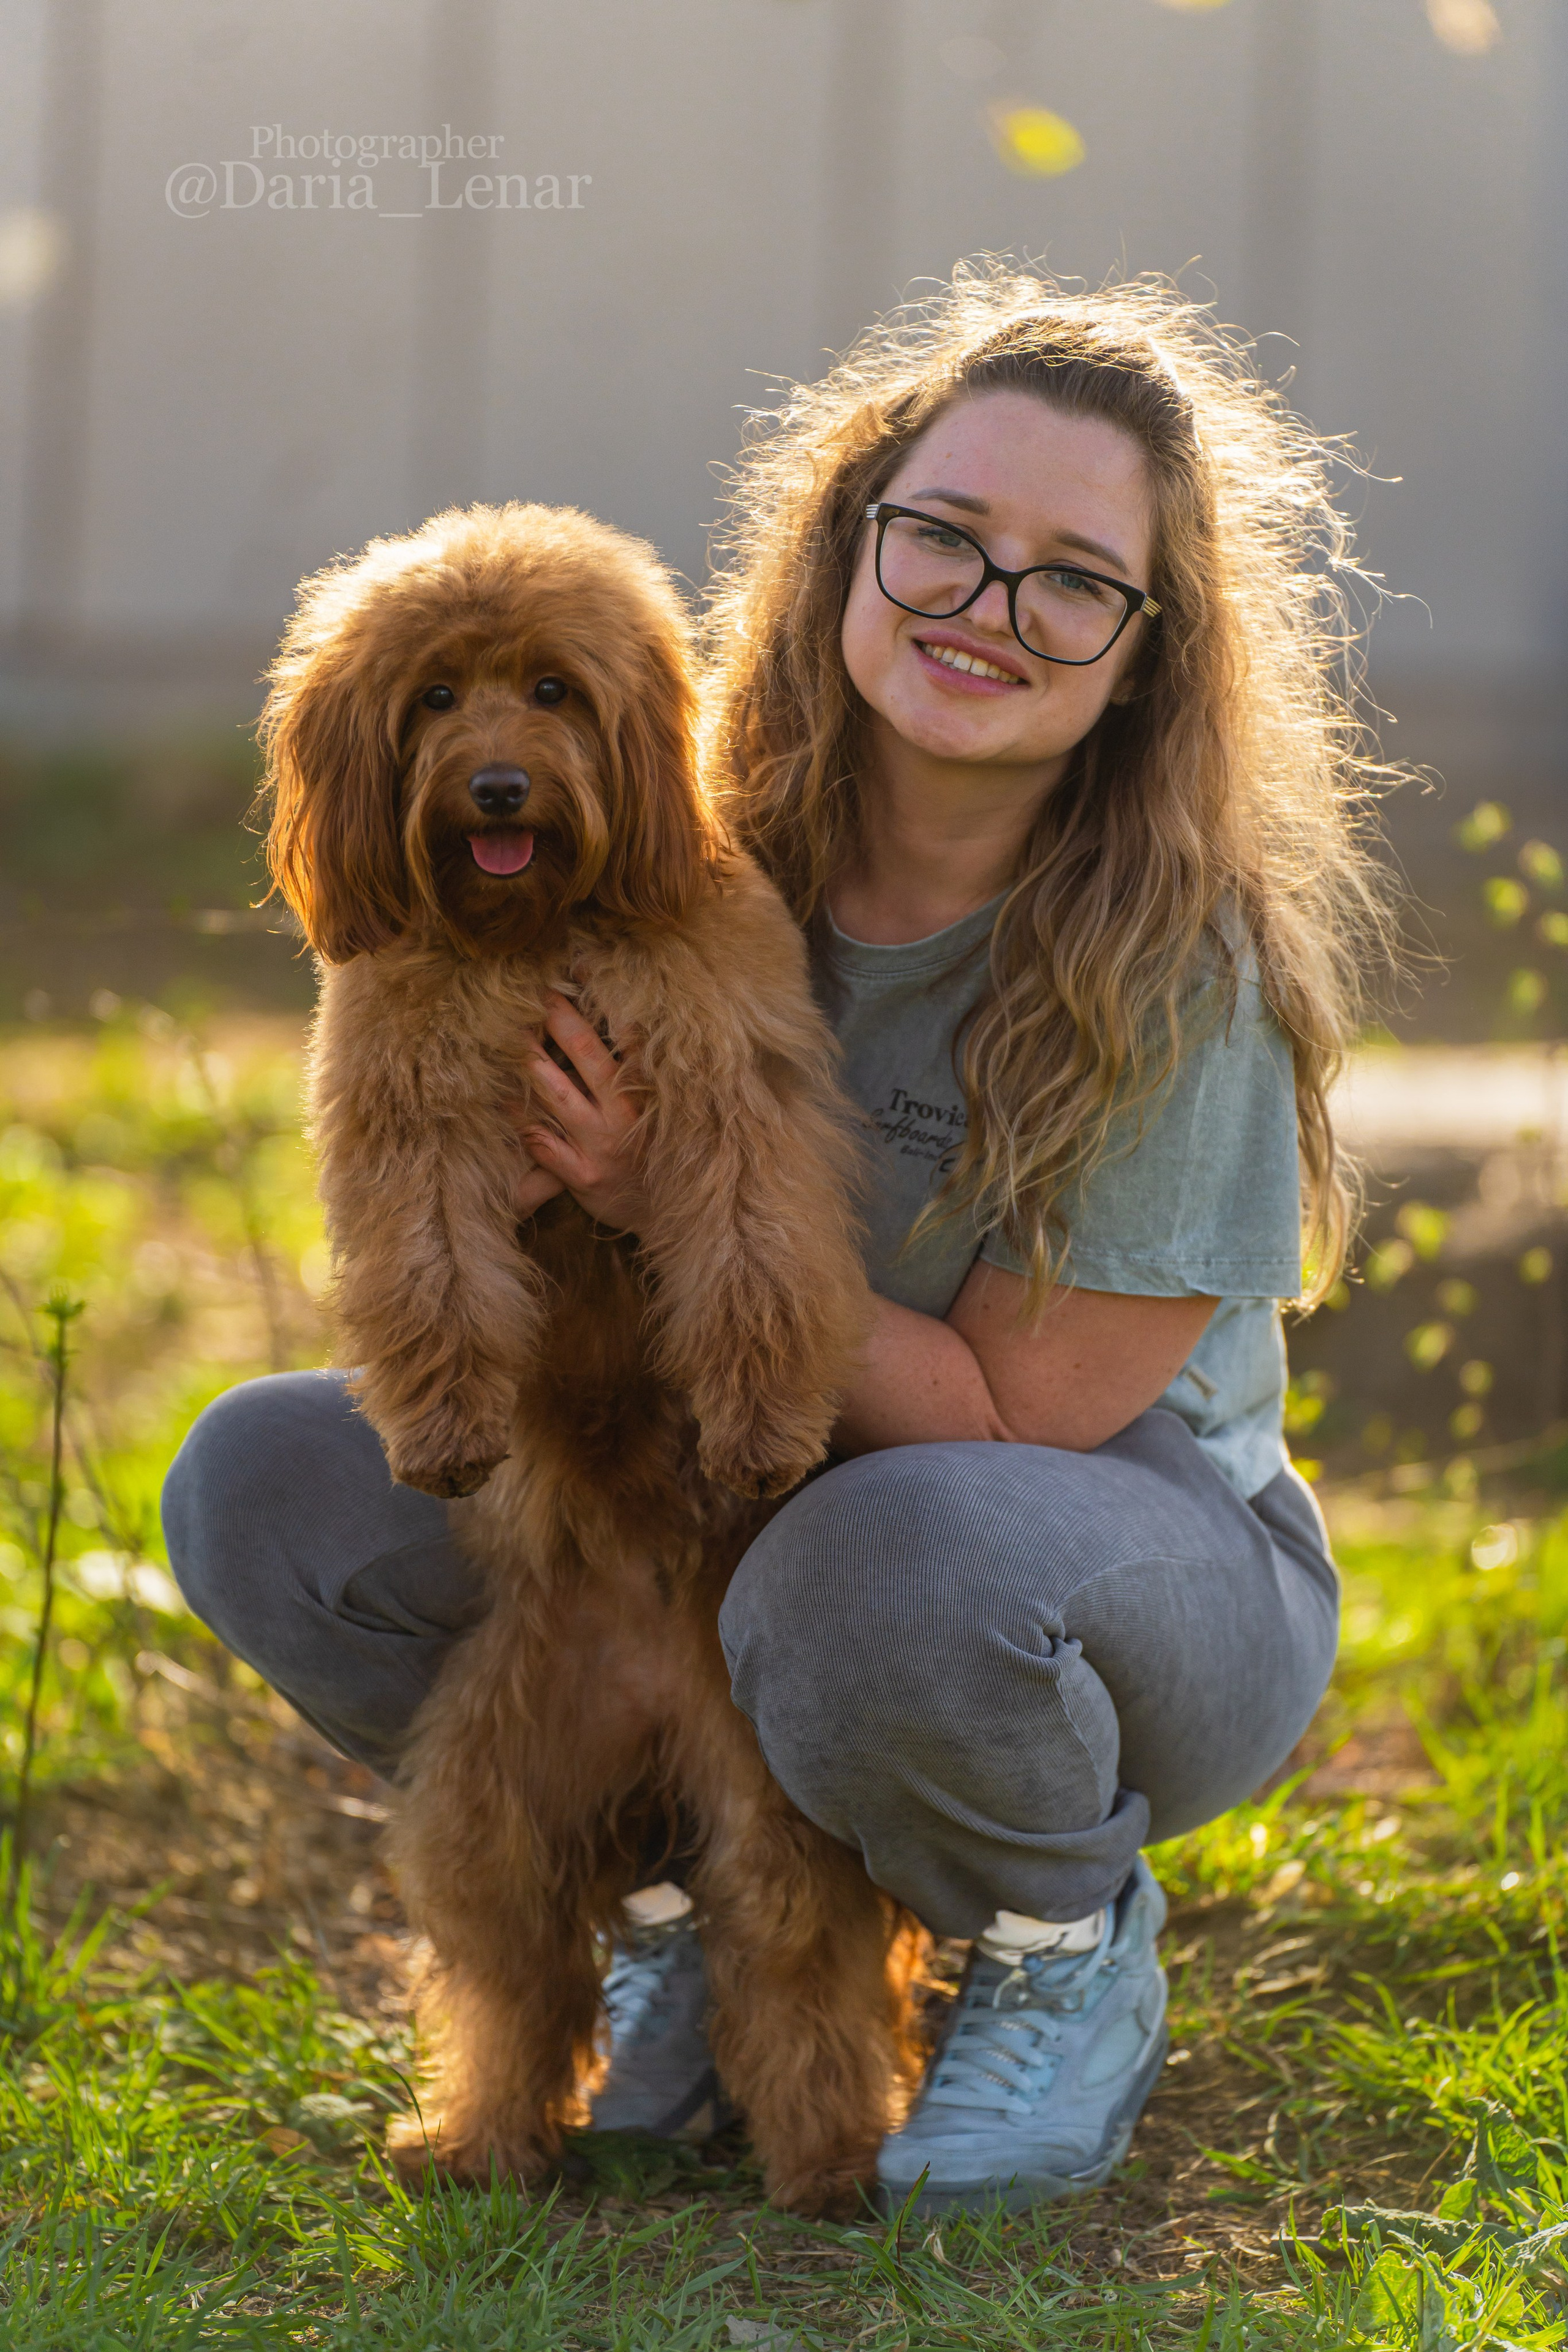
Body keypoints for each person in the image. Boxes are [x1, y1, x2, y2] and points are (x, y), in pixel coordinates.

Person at [163, 265, 1387, 2212]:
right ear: (850, 542)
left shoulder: (1181, 961)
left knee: (863, 1562)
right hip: (695, 1489)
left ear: (1150, 649)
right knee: (267, 1475)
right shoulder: (701, 832)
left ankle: (1059, 1943)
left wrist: (658, 1195)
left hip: (1098, 1555)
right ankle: (661, 1910)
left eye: (1073, 577)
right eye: (947, 539)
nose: (991, 609)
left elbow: (1013, 1412)